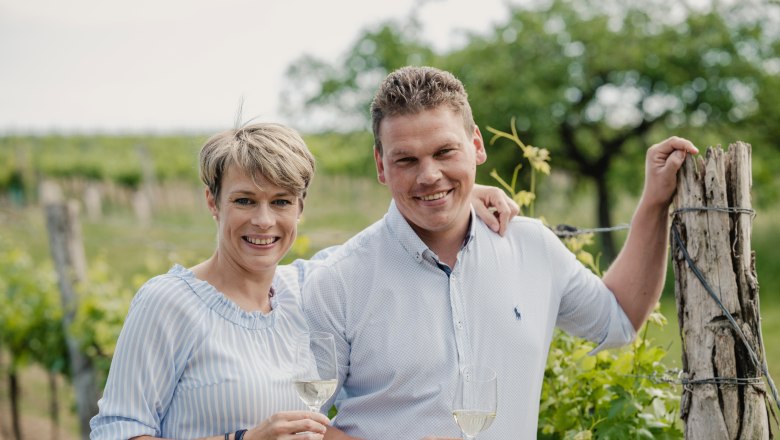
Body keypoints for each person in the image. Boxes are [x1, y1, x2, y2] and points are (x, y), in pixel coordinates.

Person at [301, 66, 699, 439]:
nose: (429, 175)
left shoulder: (533, 246)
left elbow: (619, 318)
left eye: (445, 152)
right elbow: (295, 424)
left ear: (476, 145)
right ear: (381, 165)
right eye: (406, 160)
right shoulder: (339, 280)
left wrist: (654, 201)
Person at [89, 122, 518, 440]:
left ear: (300, 208)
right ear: (213, 203)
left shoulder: (307, 288)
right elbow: (116, 431)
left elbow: (383, 241)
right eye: (245, 200)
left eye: (281, 202)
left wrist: (460, 198)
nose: (264, 220)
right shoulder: (168, 303)